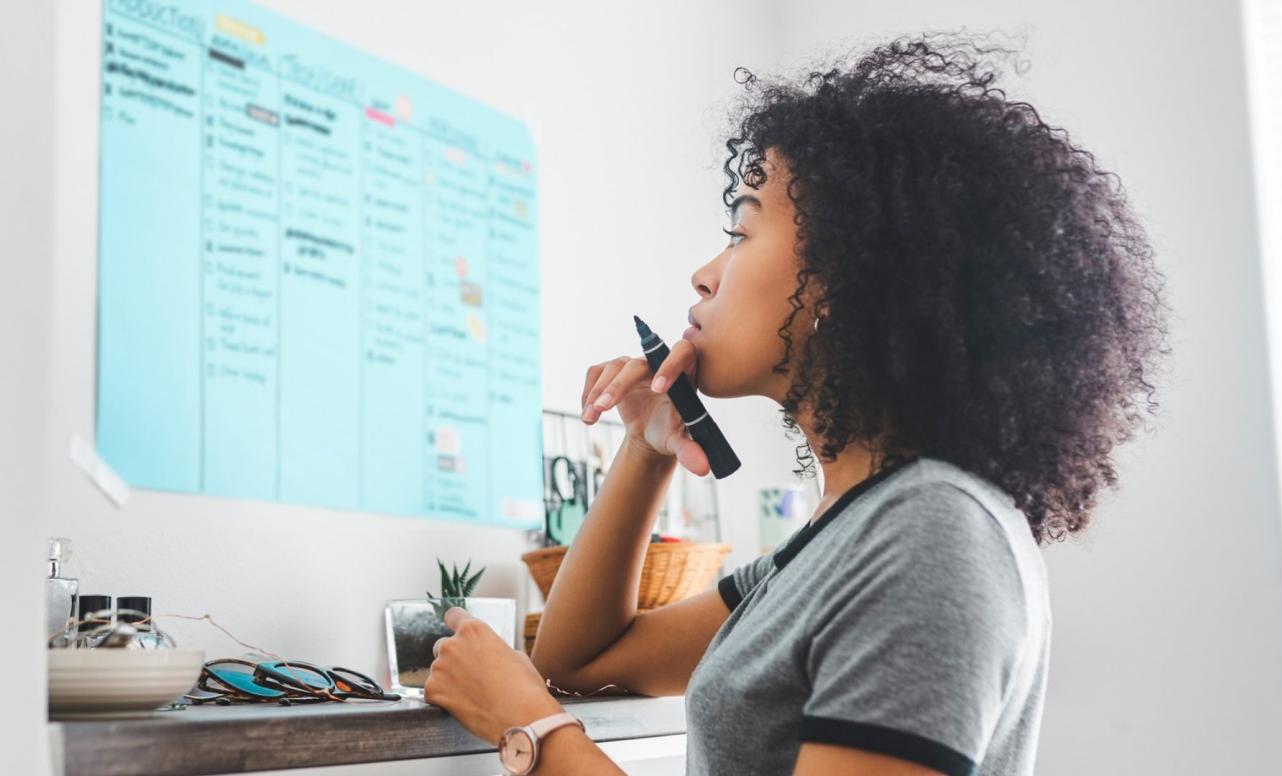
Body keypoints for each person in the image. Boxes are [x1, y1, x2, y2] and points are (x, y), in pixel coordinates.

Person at [425, 34, 1167, 776]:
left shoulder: (932, 536)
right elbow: (582, 658)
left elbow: (549, 690)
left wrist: (529, 732)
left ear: (849, 277)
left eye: (741, 232)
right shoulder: (838, 541)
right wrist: (648, 449)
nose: (704, 274)